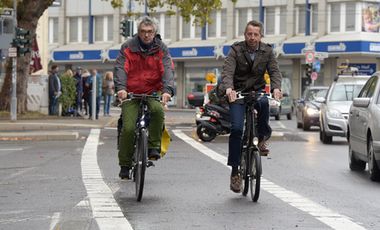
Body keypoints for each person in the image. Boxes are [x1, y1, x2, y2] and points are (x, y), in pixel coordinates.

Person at [218, 20, 282, 193]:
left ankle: (261, 139)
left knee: (263, 103)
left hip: (256, 92)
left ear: (260, 36)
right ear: (244, 35)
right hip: (237, 93)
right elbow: (227, 71)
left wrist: (276, 88)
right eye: (249, 34)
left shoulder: (267, 51)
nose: (252, 37)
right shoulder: (236, 50)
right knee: (237, 129)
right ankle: (235, 172)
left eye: (256, 34)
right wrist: (229, 89)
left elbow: (274, 71)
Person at [114, 16, 174, 179]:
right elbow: (121, 68)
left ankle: (153, 147)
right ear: (138, 33)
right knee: (128, 128)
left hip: (152, 92)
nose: (146, 35)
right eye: (143, 32)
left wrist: (167, 91)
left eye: (150, 32)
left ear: (155, 33)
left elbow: (167, 69)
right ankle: (125, 164)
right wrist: (121, 89)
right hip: (131, 93)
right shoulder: (127, 47)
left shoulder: (162, 48)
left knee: (157, 112)